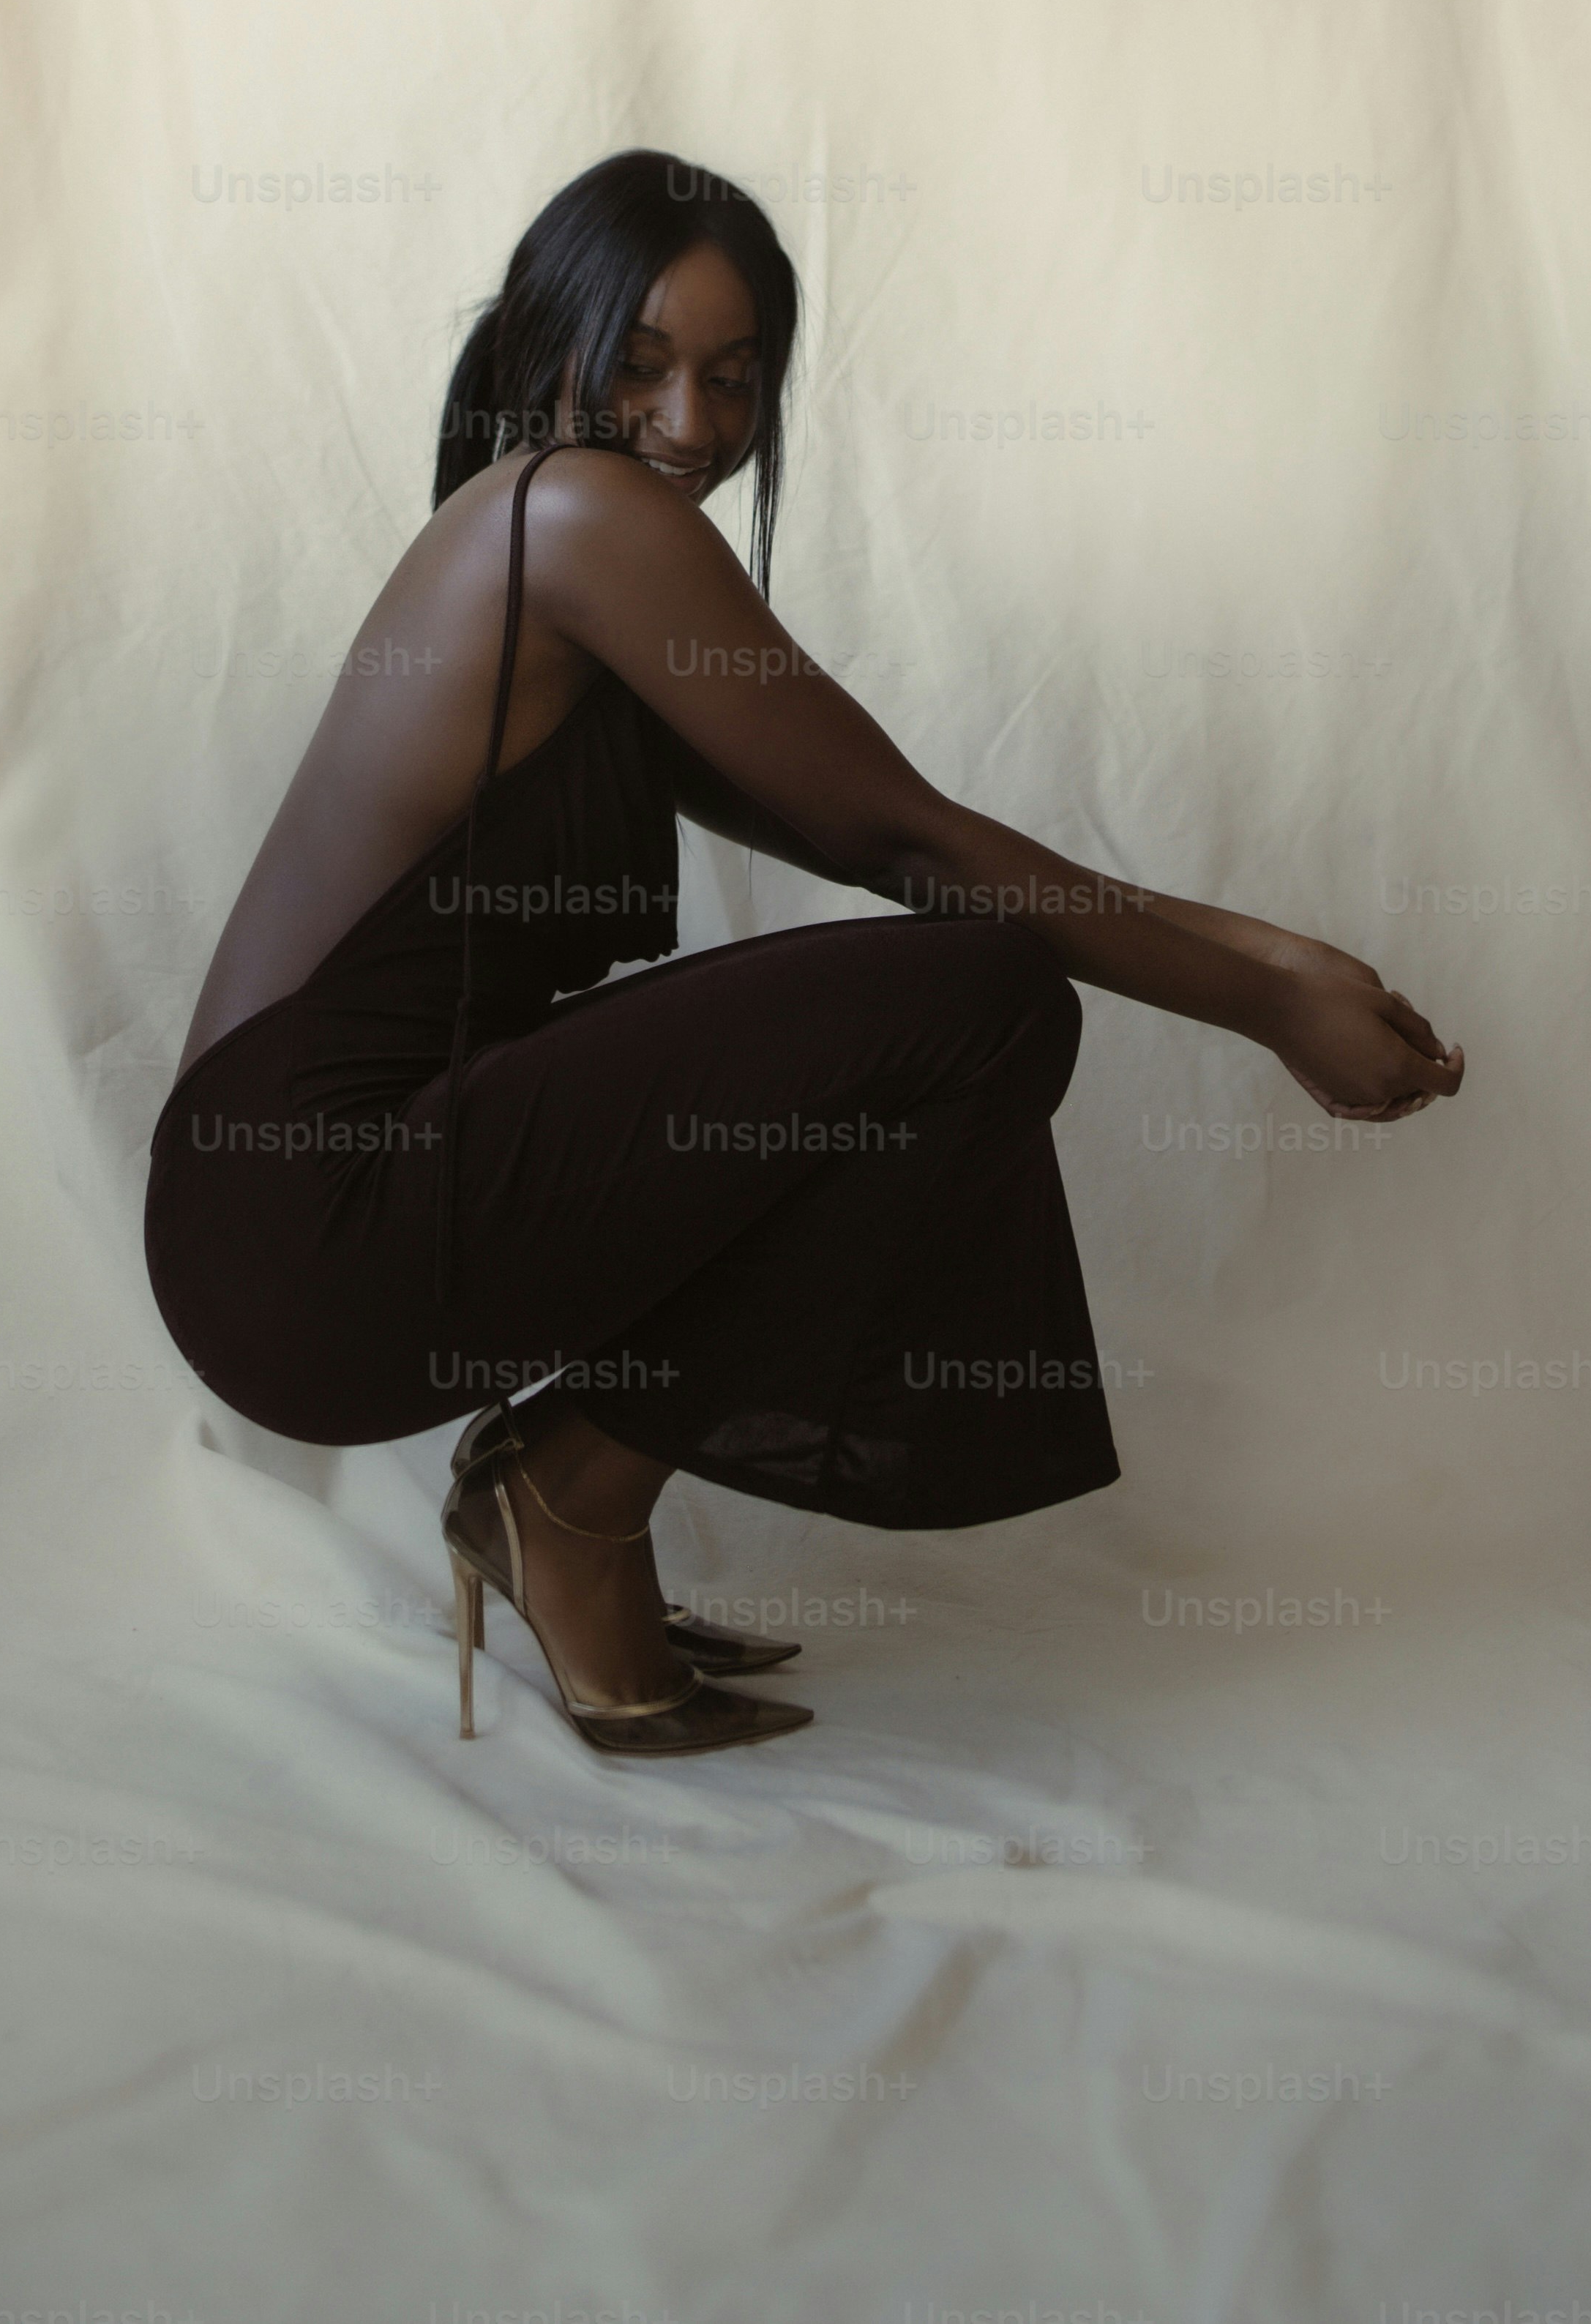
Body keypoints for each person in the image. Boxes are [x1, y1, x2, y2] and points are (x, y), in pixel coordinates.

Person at [144, 149, 1464, 1761]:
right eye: (639, 363)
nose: (689, 423)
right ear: (543, 348)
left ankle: (563, 1487)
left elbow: (869, 839)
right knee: (976, 1001)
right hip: (309, 1221)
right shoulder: (577, 514)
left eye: (733, 375)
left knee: (929, 1016)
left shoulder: (562, 558)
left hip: (295, 1225)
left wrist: (1271, 954)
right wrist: (1266, 1001)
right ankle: (567, 1497)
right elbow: (914, 846)